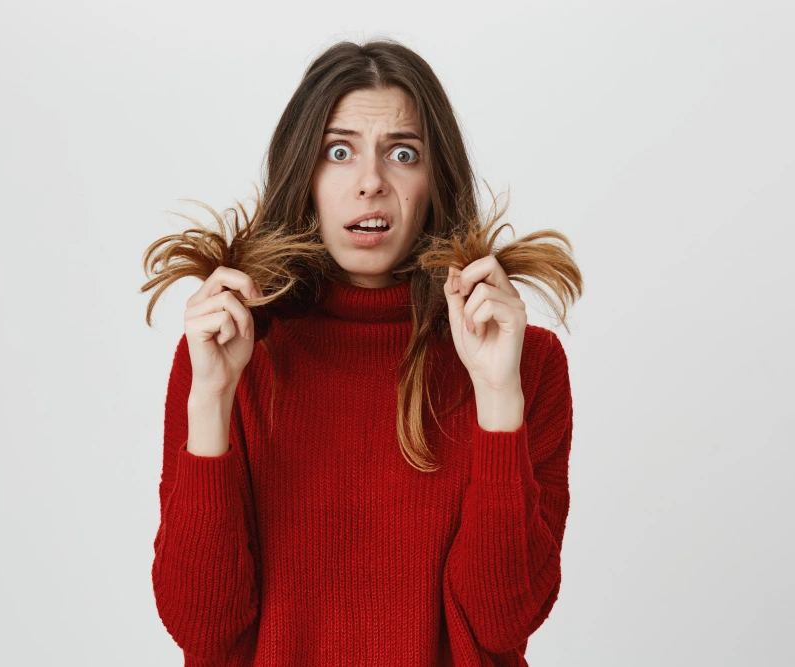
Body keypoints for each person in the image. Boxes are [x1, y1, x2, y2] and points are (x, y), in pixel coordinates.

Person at [140, 38, 584, 667]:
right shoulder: (229, 353)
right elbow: (201, 626)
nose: (370, 182)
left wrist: (496, 400)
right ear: (305, 175)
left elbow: (501, 621)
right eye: (338, 151)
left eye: (403, 154)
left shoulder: (524, 363)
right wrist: (211, 397)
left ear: (435, 181)